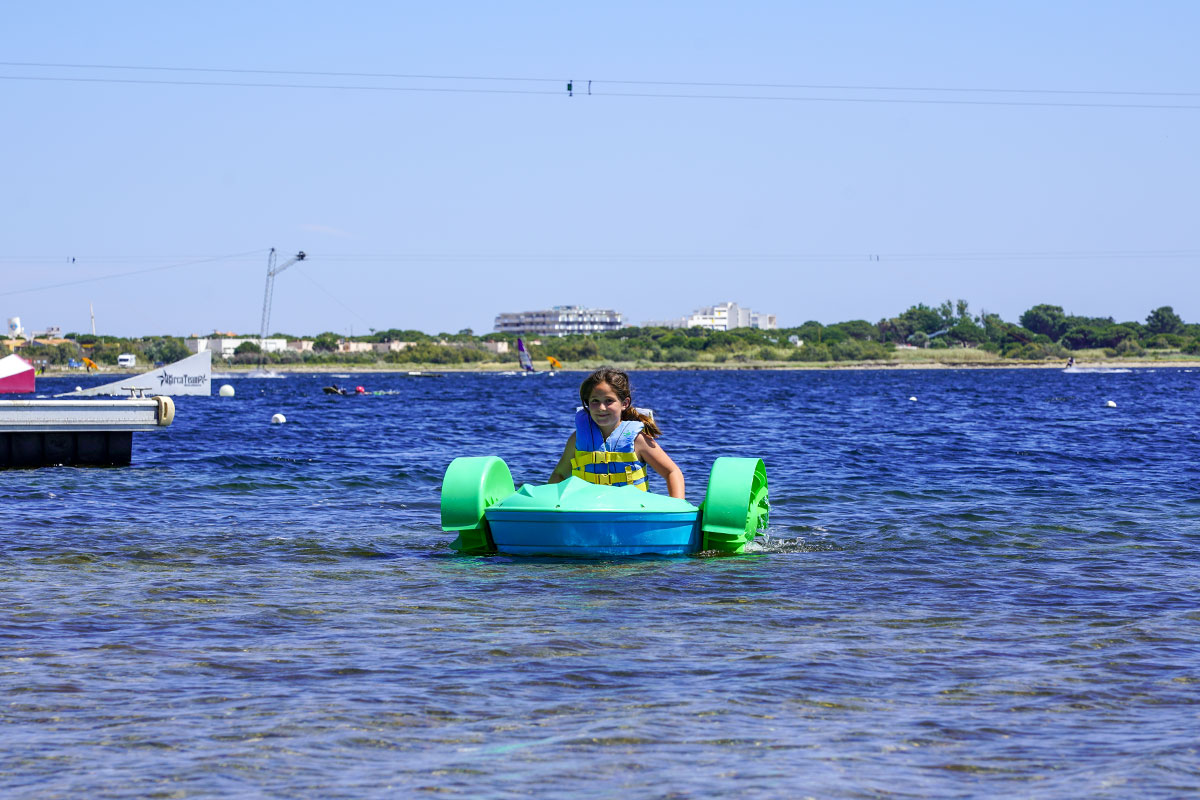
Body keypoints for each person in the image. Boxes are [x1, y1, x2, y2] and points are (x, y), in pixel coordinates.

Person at [549, 367, 685, 498]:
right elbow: (559, 474)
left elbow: (672, 472)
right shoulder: (577, 439)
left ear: (624, 403)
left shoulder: (638, 440)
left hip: (631, 513)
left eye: (609, 401)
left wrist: (678, 506)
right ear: (588, 403)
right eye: (595, 401)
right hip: (588, 511)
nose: (602, 408)